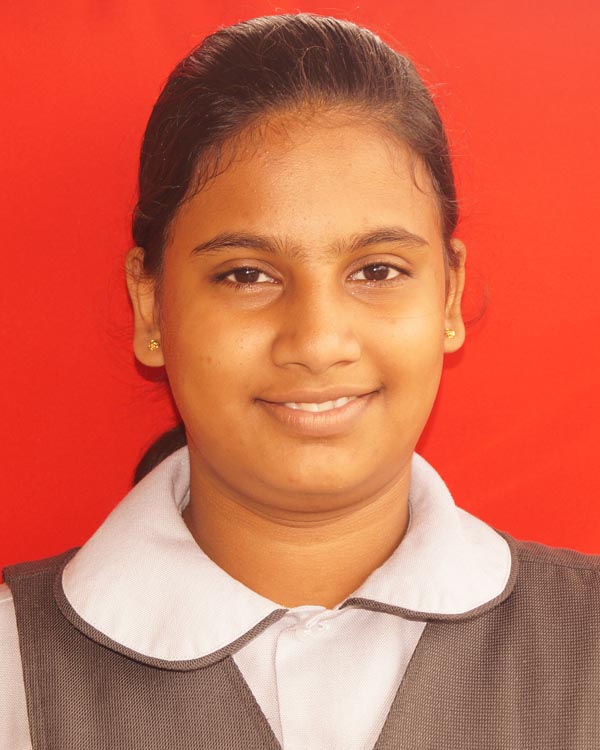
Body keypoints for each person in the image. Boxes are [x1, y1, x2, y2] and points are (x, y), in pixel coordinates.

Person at [1, 12, 599, 750]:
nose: (317, 342)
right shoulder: (12, 671)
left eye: (376, 270)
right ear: (151, 306)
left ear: (448, 297)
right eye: (246, 275)